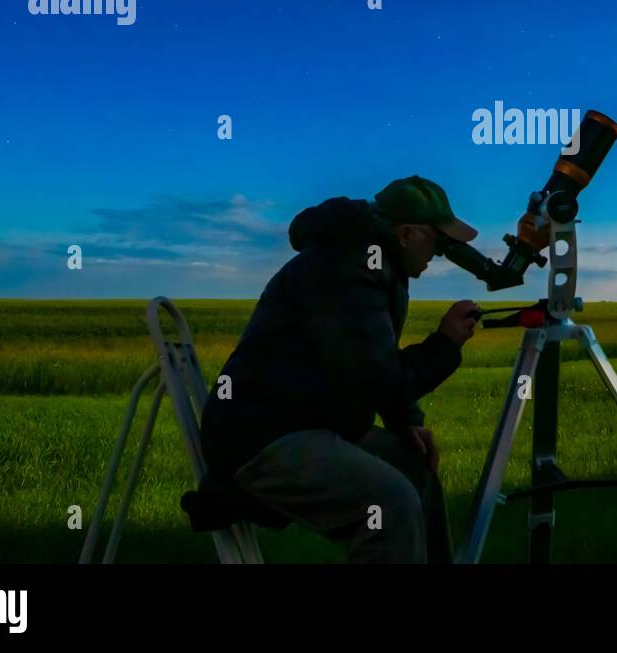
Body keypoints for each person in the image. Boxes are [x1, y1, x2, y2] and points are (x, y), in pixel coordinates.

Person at [198, 175, 481, 563]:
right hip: (264, 438)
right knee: (390, 503)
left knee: (415, 469)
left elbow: (366, 360)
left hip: (306, 422)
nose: (441, 251)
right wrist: (445, 344)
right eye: (438, 238)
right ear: (406, 233)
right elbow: (376, 379)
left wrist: (405, 420)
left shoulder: (369, 260)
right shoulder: (348, 268)